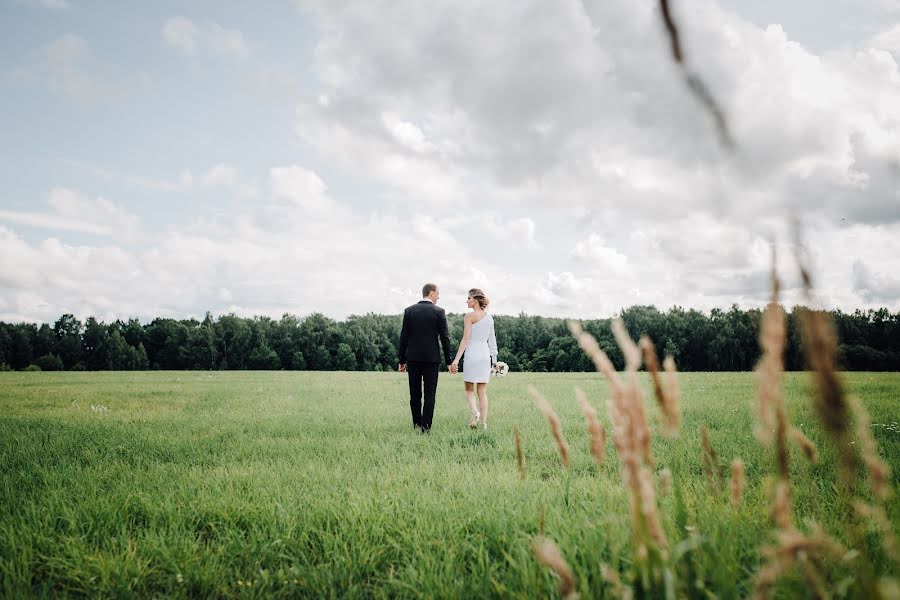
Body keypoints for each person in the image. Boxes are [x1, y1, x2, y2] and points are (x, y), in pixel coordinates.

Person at [398, 283, 453, 433]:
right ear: (431, 293)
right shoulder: (439, 312)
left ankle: (416, 424)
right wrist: (449, 361)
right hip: (431, 359)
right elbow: (445, 338)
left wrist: (401, 360)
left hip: (413, 358)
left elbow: (403, 337)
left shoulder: (409, 311)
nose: (439, 297)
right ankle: (426, 428)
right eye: (438, 293)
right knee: (430, 393)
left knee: (414, 393)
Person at [450, 288, 497, 429]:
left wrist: (456, 360)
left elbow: (465, 340)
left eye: (469, 298)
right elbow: (492, 341)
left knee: (469, 390)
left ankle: (475, 413)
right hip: (484, 355)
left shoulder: (469, 316)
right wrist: (494, 361)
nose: (467, 301)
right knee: (482, 391)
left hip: (472, 355)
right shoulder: (489, 318)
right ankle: (483, 424)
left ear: (475, 300)